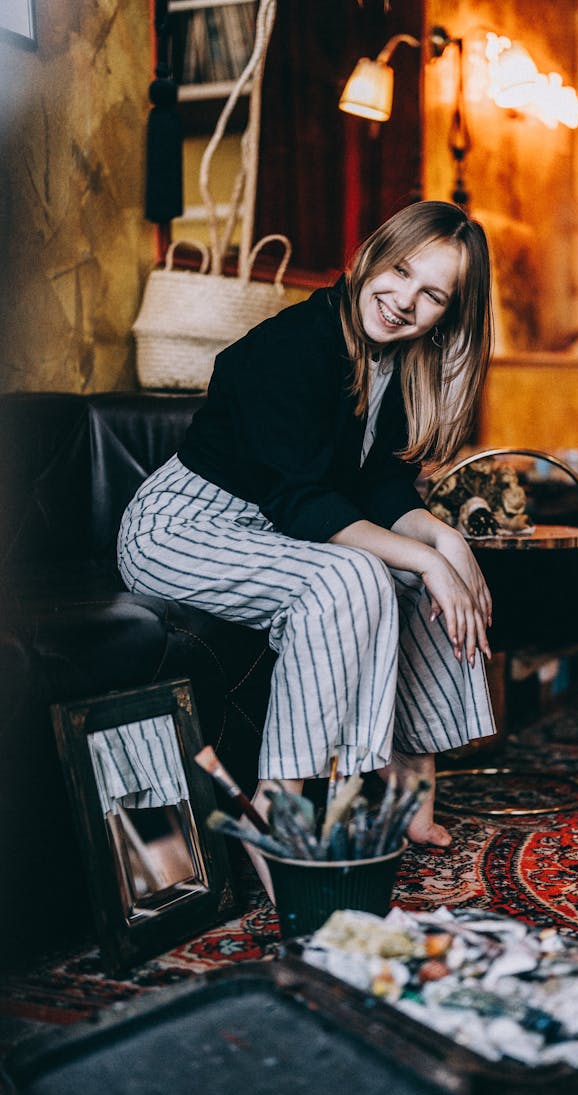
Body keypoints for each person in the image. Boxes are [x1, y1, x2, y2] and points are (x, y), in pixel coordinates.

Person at [118, 199, 496, 899]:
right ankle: (279, 807)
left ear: (449, 313)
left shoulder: (394, 365)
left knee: (433, 575)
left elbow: (379, 485)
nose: (405, 299)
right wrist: (423, 556)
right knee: (354, 578)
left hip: (268, 528)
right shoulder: (293, 343)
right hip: (181, 527)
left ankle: (410, 781)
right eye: (401, 270)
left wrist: (443, 543)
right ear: (368, 255)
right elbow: (303, 501)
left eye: (432, 293)